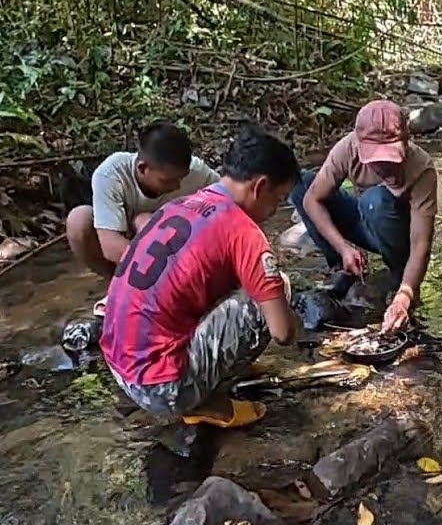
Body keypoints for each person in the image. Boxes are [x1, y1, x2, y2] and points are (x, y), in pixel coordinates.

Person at [99, 126, 300, 428]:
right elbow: (282, 332)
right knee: (275, 292)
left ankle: (204, 374)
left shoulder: (177, 206)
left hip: (120, 366)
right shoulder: (242, 231)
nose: (275, 210)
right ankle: (206, 400)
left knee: (230, 280)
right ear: (260, 187)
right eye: (279, 198)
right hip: (162, 389)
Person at [290, 99, 438, 334]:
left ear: (406, 142)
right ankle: (341, 267)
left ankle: (397, 275)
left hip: (398, 235)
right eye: (375, 158)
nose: (381, 166)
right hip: (362, 222)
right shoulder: (347, 149)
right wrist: (343, 247)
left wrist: (405, 294)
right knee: (302, 185)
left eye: (389, 158)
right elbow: (311, 200)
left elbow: (421, 243)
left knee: (375, 200)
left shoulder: (421, 169)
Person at [65, 122, 220, 313]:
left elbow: (228, 201)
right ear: (142, 168)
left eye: (182, 178)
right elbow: (110, 245)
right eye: (168, 180)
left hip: (179, 245)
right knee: (78, 220)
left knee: (145, 220)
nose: (178, 186)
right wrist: (163, 272)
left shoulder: (196, 172)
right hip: (141, 254)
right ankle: (120, 285)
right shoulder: (111, 174)